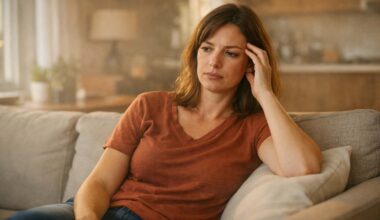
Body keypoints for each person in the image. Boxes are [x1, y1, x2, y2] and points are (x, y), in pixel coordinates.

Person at [8, 3, 322, 220]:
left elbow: (303, 167)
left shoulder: (252, 128)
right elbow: (99, 184)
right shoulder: (150, 105)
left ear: (251, 63)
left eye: (231, 53)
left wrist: (265, 93)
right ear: (195, 53)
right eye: (207, 48)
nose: (213, 62)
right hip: (90, 213)